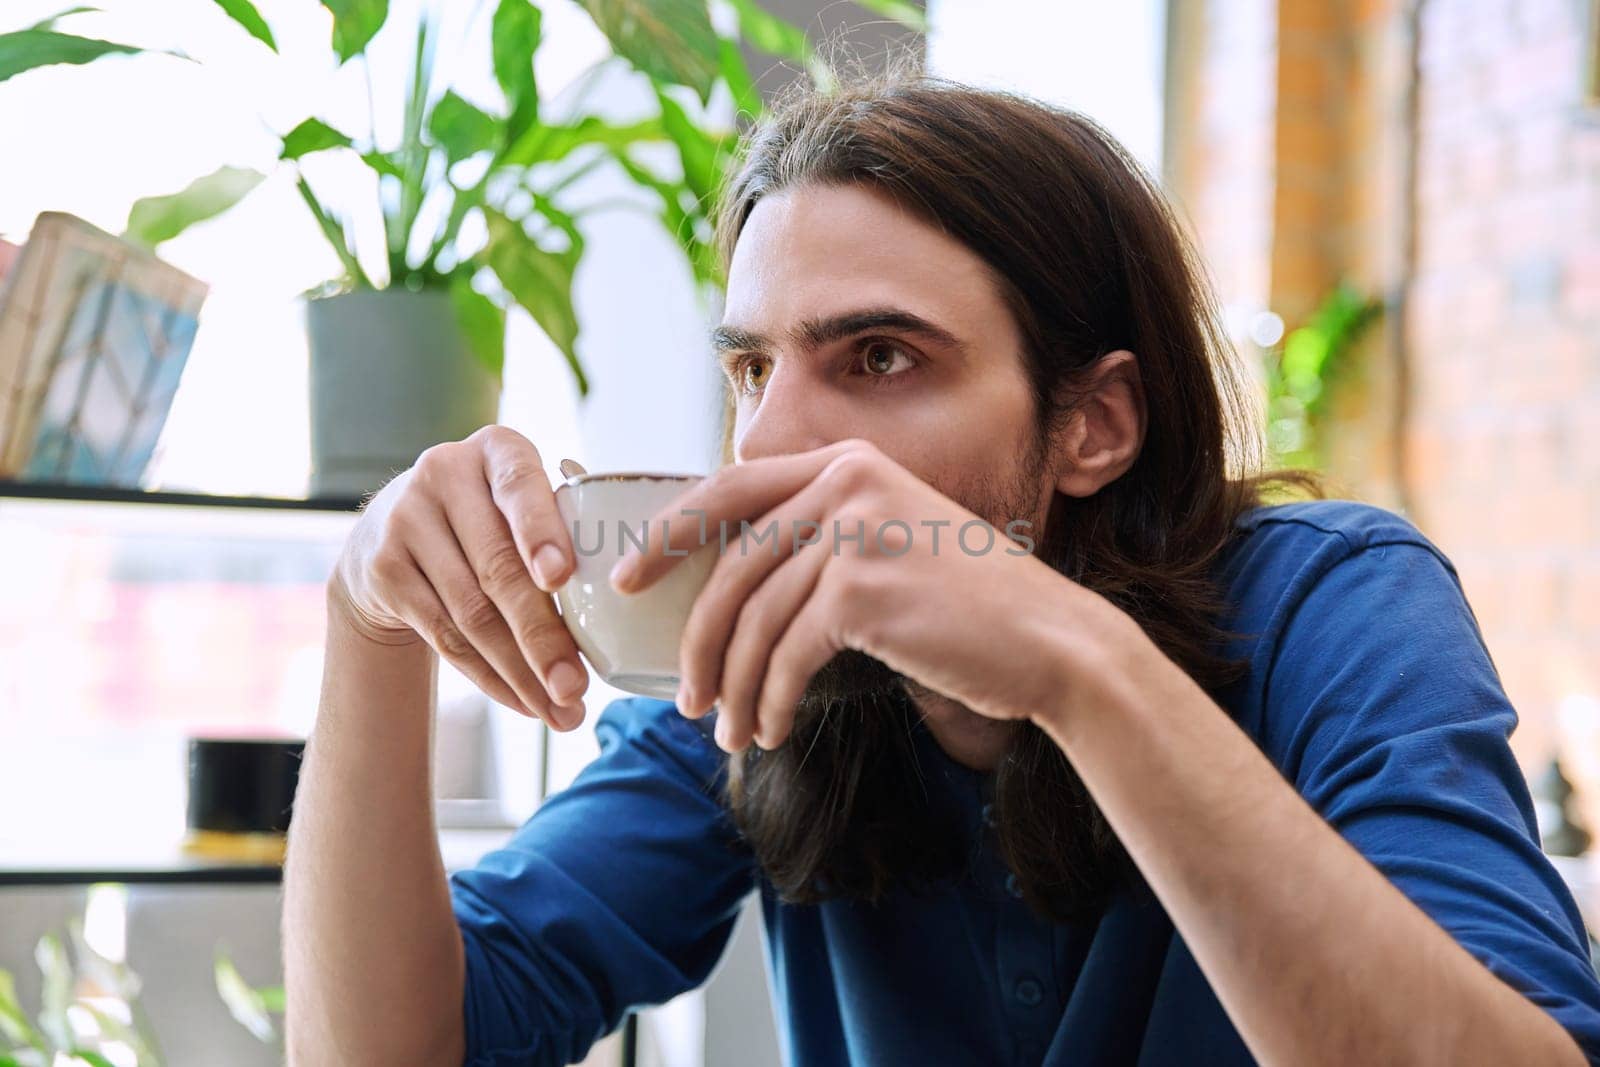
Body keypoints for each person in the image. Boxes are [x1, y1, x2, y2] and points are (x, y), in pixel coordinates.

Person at [282, 73, 1600, 1066]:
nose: (772, 438)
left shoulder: (1332, 605)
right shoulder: (764, 680)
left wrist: (1075, 669)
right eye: (752, 367)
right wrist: (369, 625)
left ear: (1094, 425)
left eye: (880, 358)